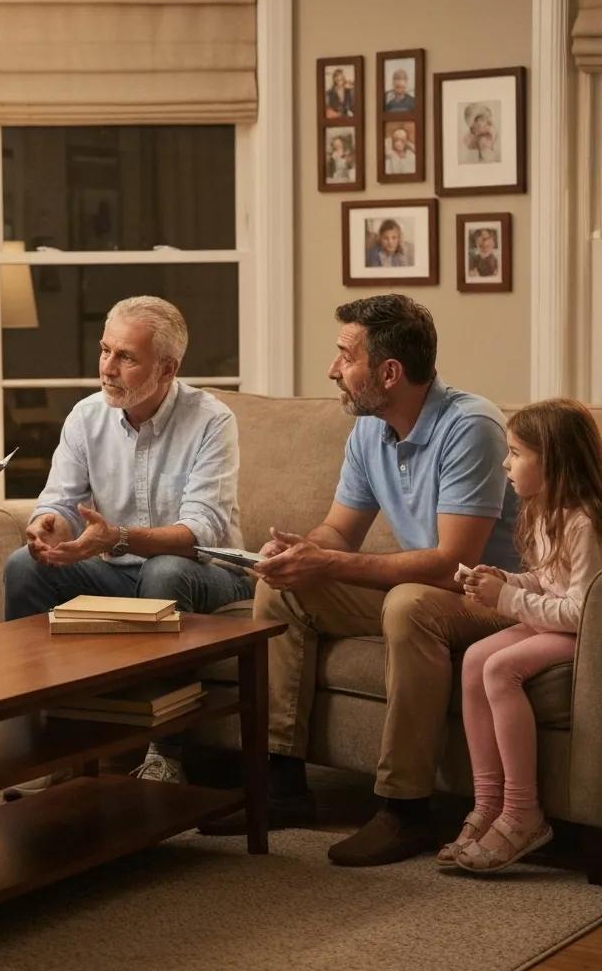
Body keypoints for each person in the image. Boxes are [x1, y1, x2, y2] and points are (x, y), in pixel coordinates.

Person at [202, 294, 520, 866]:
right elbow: (339, 533)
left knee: (407, 605)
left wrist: (333, 563)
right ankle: (282, 786)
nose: (332, 371)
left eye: (345, 356)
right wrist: (301, 551)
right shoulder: (371, 430)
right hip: (431, 590)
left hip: (497, 597)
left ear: (389, 372)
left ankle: (405, 811)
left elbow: (456, 563)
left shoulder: (472, 426)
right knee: (282, 586)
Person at [3, 295, 254, 787]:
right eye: (104, 351)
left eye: (126, 357)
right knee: (22, 566)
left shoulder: (211, 420)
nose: (107, 368)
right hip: (115, 573)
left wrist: (115, 537)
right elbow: (58, 501)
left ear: (167, 368)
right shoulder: (85, 417)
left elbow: (199, 533)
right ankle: (46, 743)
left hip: (209, 574)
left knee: (164, 571)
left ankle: (166, 753)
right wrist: (48, 525)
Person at [437, 400, 602, 873]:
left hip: (584, 635)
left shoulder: (585, 522)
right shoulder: (544, 511)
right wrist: (507, 581)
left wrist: (506, 600)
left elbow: (580, 609)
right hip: (553, 620)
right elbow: (548, 580)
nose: (505, 463)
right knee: (474, 659)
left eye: (515, 453)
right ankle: (488, 804)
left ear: (551, 460)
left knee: (499, 667)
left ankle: (522, 811)